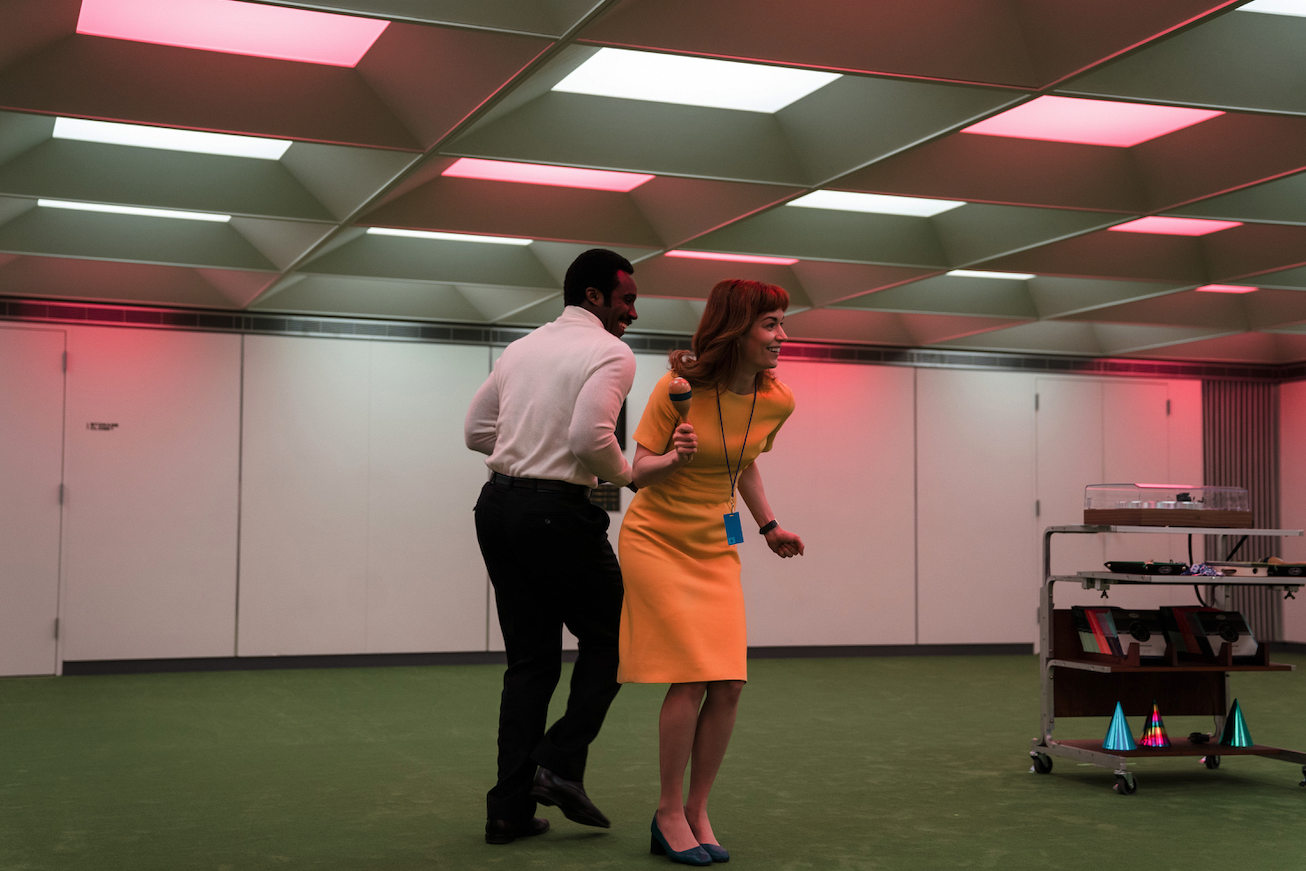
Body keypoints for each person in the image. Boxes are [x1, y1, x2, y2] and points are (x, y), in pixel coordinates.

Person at [617, 279, 805, 865]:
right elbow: (636, 470)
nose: (782, 335)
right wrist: (675, 457)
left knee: (729, 680)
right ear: (736, 328)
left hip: (716, 544)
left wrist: (770, 526)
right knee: (692, 676)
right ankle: (668, 811)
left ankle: (698, 809)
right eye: (770, 324)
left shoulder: (778, 400)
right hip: (656, 539)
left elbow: (744, 464)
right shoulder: (677, 390)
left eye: (781, 322)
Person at [464, 248, 639, 845]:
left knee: (530, 664)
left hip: (497, 508)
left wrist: (526, 448)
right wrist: (626, 475)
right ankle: (558, 761)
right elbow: (592, 438)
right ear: (594, 297)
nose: (632, 313)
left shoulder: (522, 348)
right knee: (617, 639)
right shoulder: (611, 353)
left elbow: (476, 432)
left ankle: (508, 812)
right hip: (555, 514)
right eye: (627, 300)